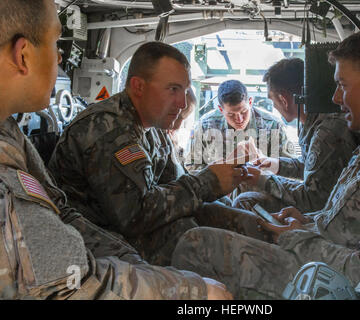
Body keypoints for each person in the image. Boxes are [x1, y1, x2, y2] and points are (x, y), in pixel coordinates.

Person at [172, 26, 360, 299]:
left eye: (343, 85)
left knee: (196, 245)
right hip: (318, 246)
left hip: (331, 278)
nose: (335, 97)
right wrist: (307, 221)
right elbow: (346, 218)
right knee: (209, 217)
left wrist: (294, 237)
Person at [0, 0, 232, 300]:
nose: (60, 57)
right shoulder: (107, 129)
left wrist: (136, 263)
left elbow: (63, 215)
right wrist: (191, 292)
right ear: (23, 55)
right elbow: (66, 286)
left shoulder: (10, 133)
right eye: (56, 42)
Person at [49, 42, 265, 266]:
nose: (182, 103)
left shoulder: (153, 127)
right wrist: (208, 182)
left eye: (184, 90)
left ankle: (274, 238)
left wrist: (250, 219)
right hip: (97, 239)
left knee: (213, 218)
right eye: (173, 89)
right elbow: (135, 215)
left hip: (130, 228)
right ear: (138, 87)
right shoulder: (108, 130)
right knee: (197, 242)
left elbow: (178, 184)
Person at [232, 58, 360, 216]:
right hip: (331, 204)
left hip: (332, 212)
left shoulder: (327, 132)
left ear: (283, 100)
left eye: (273, 100)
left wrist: (264, 180)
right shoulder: (317, 122)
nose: (274, 107)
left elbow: (312, 199)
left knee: (246, 201)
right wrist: (273, 164)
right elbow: (311, 166)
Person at [186, 79, 297, 172]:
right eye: (231, 114)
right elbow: (190, 167)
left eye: (244, 112)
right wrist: (217, 173)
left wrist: (264, 163)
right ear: (221, 109)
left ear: (250, 102)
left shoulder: (272, 125)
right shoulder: (205, 126)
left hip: (261, 192)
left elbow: (291, 169)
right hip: (218, 195)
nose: (239, 119)